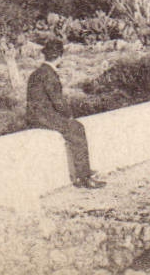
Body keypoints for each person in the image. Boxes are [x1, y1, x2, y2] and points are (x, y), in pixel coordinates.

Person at [26, 39, 104, 189]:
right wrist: (69, 115)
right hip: (43, 118)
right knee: (77, 128)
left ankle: (83, 172)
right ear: (60, 56)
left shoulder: (36, 73)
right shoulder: (50, 74)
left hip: (34, 116)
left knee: (73, 127)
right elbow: (58, 102)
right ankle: (84, 177)